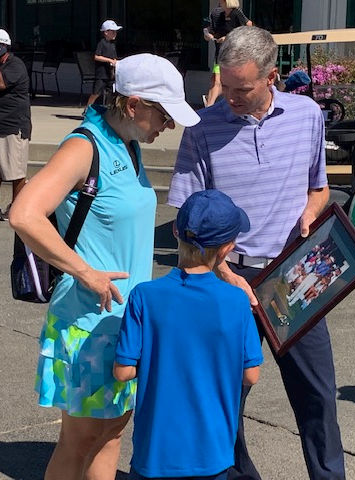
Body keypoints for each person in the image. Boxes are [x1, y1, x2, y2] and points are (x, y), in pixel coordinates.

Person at [9, 53, 199, 480]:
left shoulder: (128, 143)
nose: (168, 126)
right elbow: (24, 214)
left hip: (124, 322)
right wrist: (85, 271)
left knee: (112, 432)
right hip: (87, 322)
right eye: (164, 114)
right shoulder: (84, 145)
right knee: (79, 442)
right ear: (133, 105)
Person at [168, 26, 346, 480]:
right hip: (230, 282)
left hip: (294, 277)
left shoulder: (307, 115)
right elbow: (185, 221)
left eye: (241, 89)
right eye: (225, 87)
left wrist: (310, 214)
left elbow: (319, 188)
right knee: (224, 398)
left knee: (317, 396)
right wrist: (226, 274)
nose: (230, 97)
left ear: (272, 76)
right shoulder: (202, 128)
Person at [114, 189, 263, 480]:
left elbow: (123, 371)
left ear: (175, 231)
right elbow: (251, 375)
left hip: (154, 452)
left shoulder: (144, 296)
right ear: (227, 249)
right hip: (214, 453)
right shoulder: (236, 301)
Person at [0, 29, 31, 221]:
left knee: (16, 172)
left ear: (5, 46)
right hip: (1, 125)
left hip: (14, 126)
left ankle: (17, 210)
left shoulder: (15, 65)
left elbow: (1, 84)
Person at [203, 0, 252, 107]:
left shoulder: (236, 12)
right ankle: (209, 107)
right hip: (220, 54)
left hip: (235, 54)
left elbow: (248, 27)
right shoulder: (216, 13)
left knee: (229, 82)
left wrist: (228, 38)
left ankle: (212, 100)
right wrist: (207, 35)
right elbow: (208, 31)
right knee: (217, 79)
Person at [85, 19, 122, 110]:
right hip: (101, 74)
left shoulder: (113, 44)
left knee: (111, 93)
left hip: (110, 74)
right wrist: (109, 60)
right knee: (96, 93)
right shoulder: (102, 43)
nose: (115, 33)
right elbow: (97, 56)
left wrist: (115, 62)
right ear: (106, 32)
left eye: (115, 32)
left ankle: (109, 111)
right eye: (112, 31)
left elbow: (114, 58)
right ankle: (87, 109)